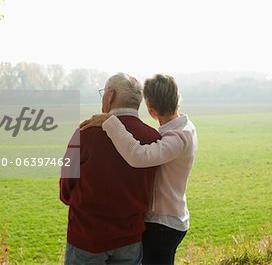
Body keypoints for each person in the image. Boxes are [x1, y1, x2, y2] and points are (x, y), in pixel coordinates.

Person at [80, 74, 197, 265]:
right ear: (177, 99)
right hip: (170, 220)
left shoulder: (177, 137)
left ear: (150, 110)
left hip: (162, 224)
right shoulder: (184, 128)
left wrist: (110, 122)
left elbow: (138, 156)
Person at [60, 73, 162, 265]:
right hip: (130, 238)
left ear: (110, 96)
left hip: (87, 236)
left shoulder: (85, 132)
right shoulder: (153, 137)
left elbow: (66, 184)